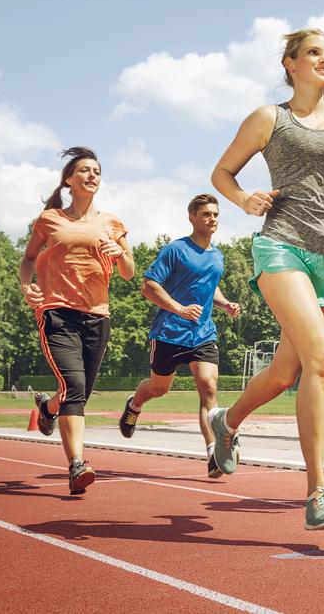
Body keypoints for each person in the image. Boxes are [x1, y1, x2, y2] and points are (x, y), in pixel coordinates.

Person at [208, 28, 324, 530]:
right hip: (281, 245)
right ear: (290, 63)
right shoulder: (271, 118)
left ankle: (226, 421)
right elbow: (221, 173)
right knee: (323, 358)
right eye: (314, 52)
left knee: (286, 373)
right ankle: (317, 494)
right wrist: (243, 198)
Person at [19, 147, 134, 495]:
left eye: (96, 171)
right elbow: (28, 259)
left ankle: (47, 408)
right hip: (57, 313)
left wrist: (121, 254)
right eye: (84, 170)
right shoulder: (50, 220)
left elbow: (129, 273)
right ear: (69, 180)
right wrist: (27, 286)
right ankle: (76, 465)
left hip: (97, 316)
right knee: (75, 386)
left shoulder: (113, 223)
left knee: (75, 393)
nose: (91, 176)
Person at [117, 194, 241, 478]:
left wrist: (223, 303)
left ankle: (214, 454)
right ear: (192, 217)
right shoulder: (175, 250)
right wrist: (179, 309)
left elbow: (210, 287)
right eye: (206, 214)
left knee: (208, 388)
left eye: (215, 215)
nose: (213, 219)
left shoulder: (217, 255)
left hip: (203, 334)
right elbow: (148, 286)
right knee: (159, 389)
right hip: (169, 333)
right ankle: (134, 404)